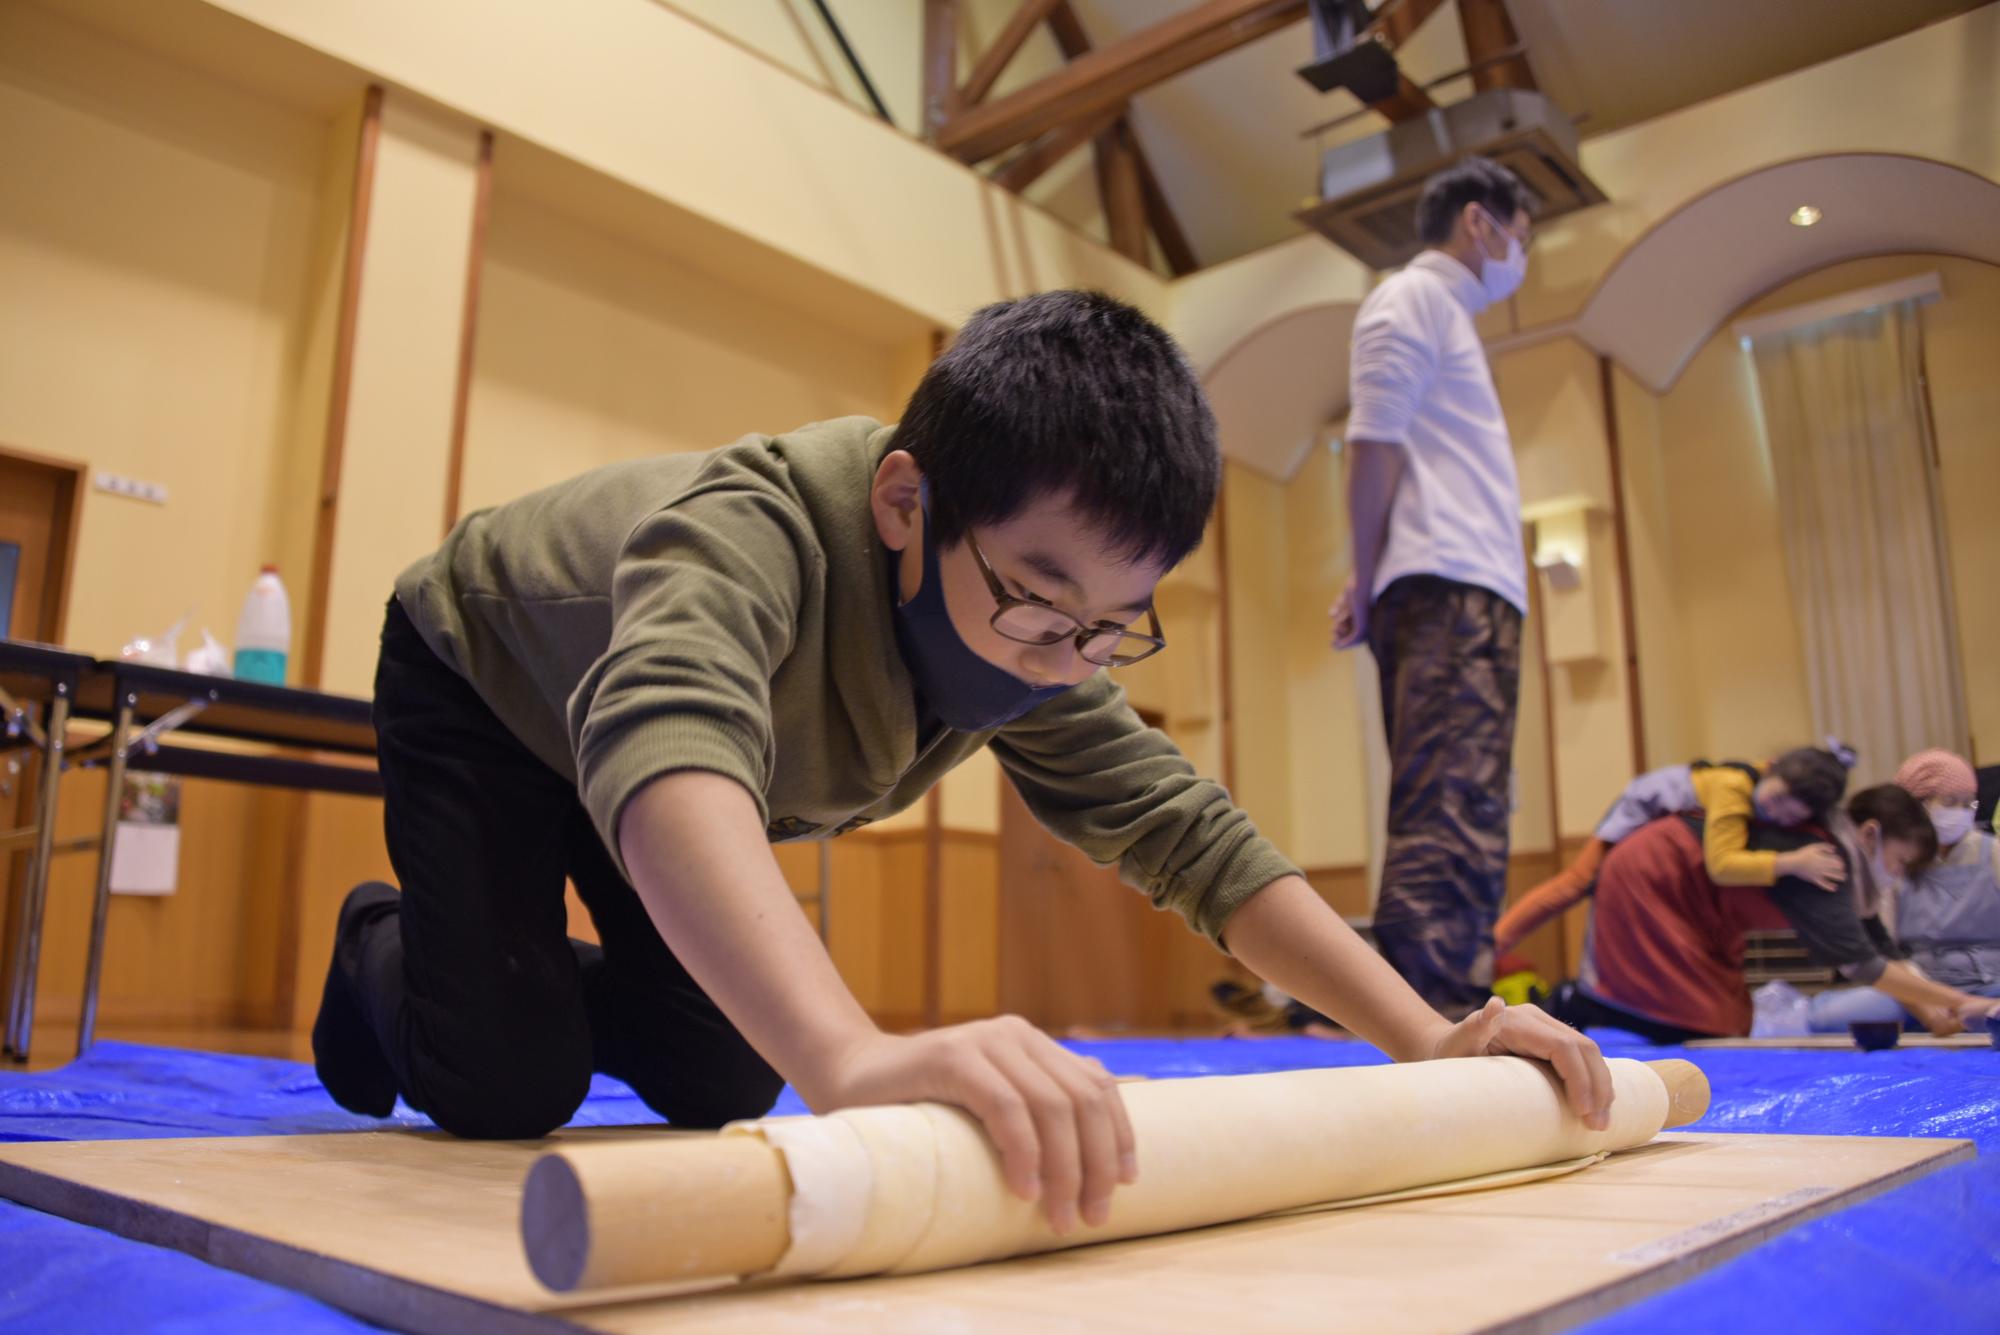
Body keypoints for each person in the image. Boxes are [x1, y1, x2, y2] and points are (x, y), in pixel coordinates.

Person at [312, 290, 1612, 1236]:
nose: (1068, 655)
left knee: (720, 1078)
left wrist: (1428, 1036)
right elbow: (665, 741)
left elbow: (1189, 832)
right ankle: (393, 939)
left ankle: (500, 965)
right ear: (903, 504)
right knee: (504, 1083)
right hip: (485, 677)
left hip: (657, 770)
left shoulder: (1028, 639)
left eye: (1113, 625)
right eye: (1040, 604)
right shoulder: (745, 535)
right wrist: (860, 1062)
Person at [1330, 156, 1534, 1017]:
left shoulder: (1443, 314)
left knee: (1464, 798)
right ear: (1479, 223)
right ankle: (1432, 1016)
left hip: (1463, 586)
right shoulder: (1411, 298)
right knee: (1450, 802)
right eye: (1521, 237)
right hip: (1449, 586)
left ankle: (1436, 1009)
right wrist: (1365, 577)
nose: (1524, 255)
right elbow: (1370, 443)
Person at [1543, 784, 1997, 1042]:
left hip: (1698, 899)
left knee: (1727, 1017)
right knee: (1698, 1018)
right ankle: (1575, 1008)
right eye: (1897, 863)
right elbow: (1865, 965)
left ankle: (1585, 1009)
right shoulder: (1828, 860)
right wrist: (1958, 1002)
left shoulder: (1848, 863)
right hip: (1657, 877)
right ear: (1871, 835)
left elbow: (1878, 946)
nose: (1895, 878)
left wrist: (1936, 1008)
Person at [1493, 747, 1853, 957]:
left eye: (1789, 815)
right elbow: (1723, 864)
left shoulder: (1769, 792)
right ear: (1770, 767)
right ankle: (1495, 945)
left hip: (1671, 816)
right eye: (1775, 801)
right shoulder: (1733, 788)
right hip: (1644, 804)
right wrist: (1792, 863)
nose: (1774, 814)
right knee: (1578, 881)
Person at [1809, 749, 2000, 1031]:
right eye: (1949, 802)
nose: (1959, 813)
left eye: (1967, 804)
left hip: (1990, 983)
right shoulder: (1883, 865)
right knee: (1825, 1018)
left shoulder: (1991, 852)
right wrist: (1927, 1008)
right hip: (1917, 985)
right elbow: (1878, 955)